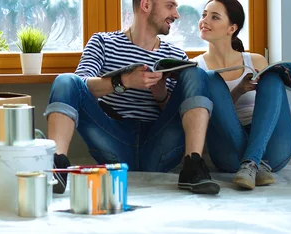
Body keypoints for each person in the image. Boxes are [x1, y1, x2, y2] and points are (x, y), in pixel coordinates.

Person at [44, 0, 220, 195]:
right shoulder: (102, 42)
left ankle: (193, 165)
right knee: (65, 80)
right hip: (113, 138)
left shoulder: (175, 55)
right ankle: (56, 168)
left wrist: (161, 96)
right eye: (170, 6)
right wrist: (123, 81)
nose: (176, 14)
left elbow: (179, 115)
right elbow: (79, 86)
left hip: (158, 143)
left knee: (197, 74)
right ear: (146, 5)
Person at [193, 0, 291, 189]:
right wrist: (239, 90)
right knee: (211, 79)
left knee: (273, 78)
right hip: (229, 149)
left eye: (214, 17)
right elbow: (205, 118)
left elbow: (273, 107)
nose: (204, 20)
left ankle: (252, 161)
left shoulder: (255, 59)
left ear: (231, 28)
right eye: (204, 15)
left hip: (270, 148)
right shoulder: (196, 66)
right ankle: (254, 162)